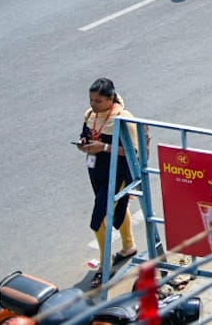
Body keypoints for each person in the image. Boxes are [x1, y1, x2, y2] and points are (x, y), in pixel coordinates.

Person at [78, 77, 138, 286]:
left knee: (99, 218)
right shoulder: (90, 115)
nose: (94, 105)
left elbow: (133, 152)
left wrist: (103, 148)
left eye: (99, 101)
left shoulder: (122, 118)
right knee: (118, 207)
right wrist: (84, 144)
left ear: (111, 98)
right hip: (98, 173)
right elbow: (86, 135)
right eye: (91, 100)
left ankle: (105, 265)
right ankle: (129, 246)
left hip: (119, 174)